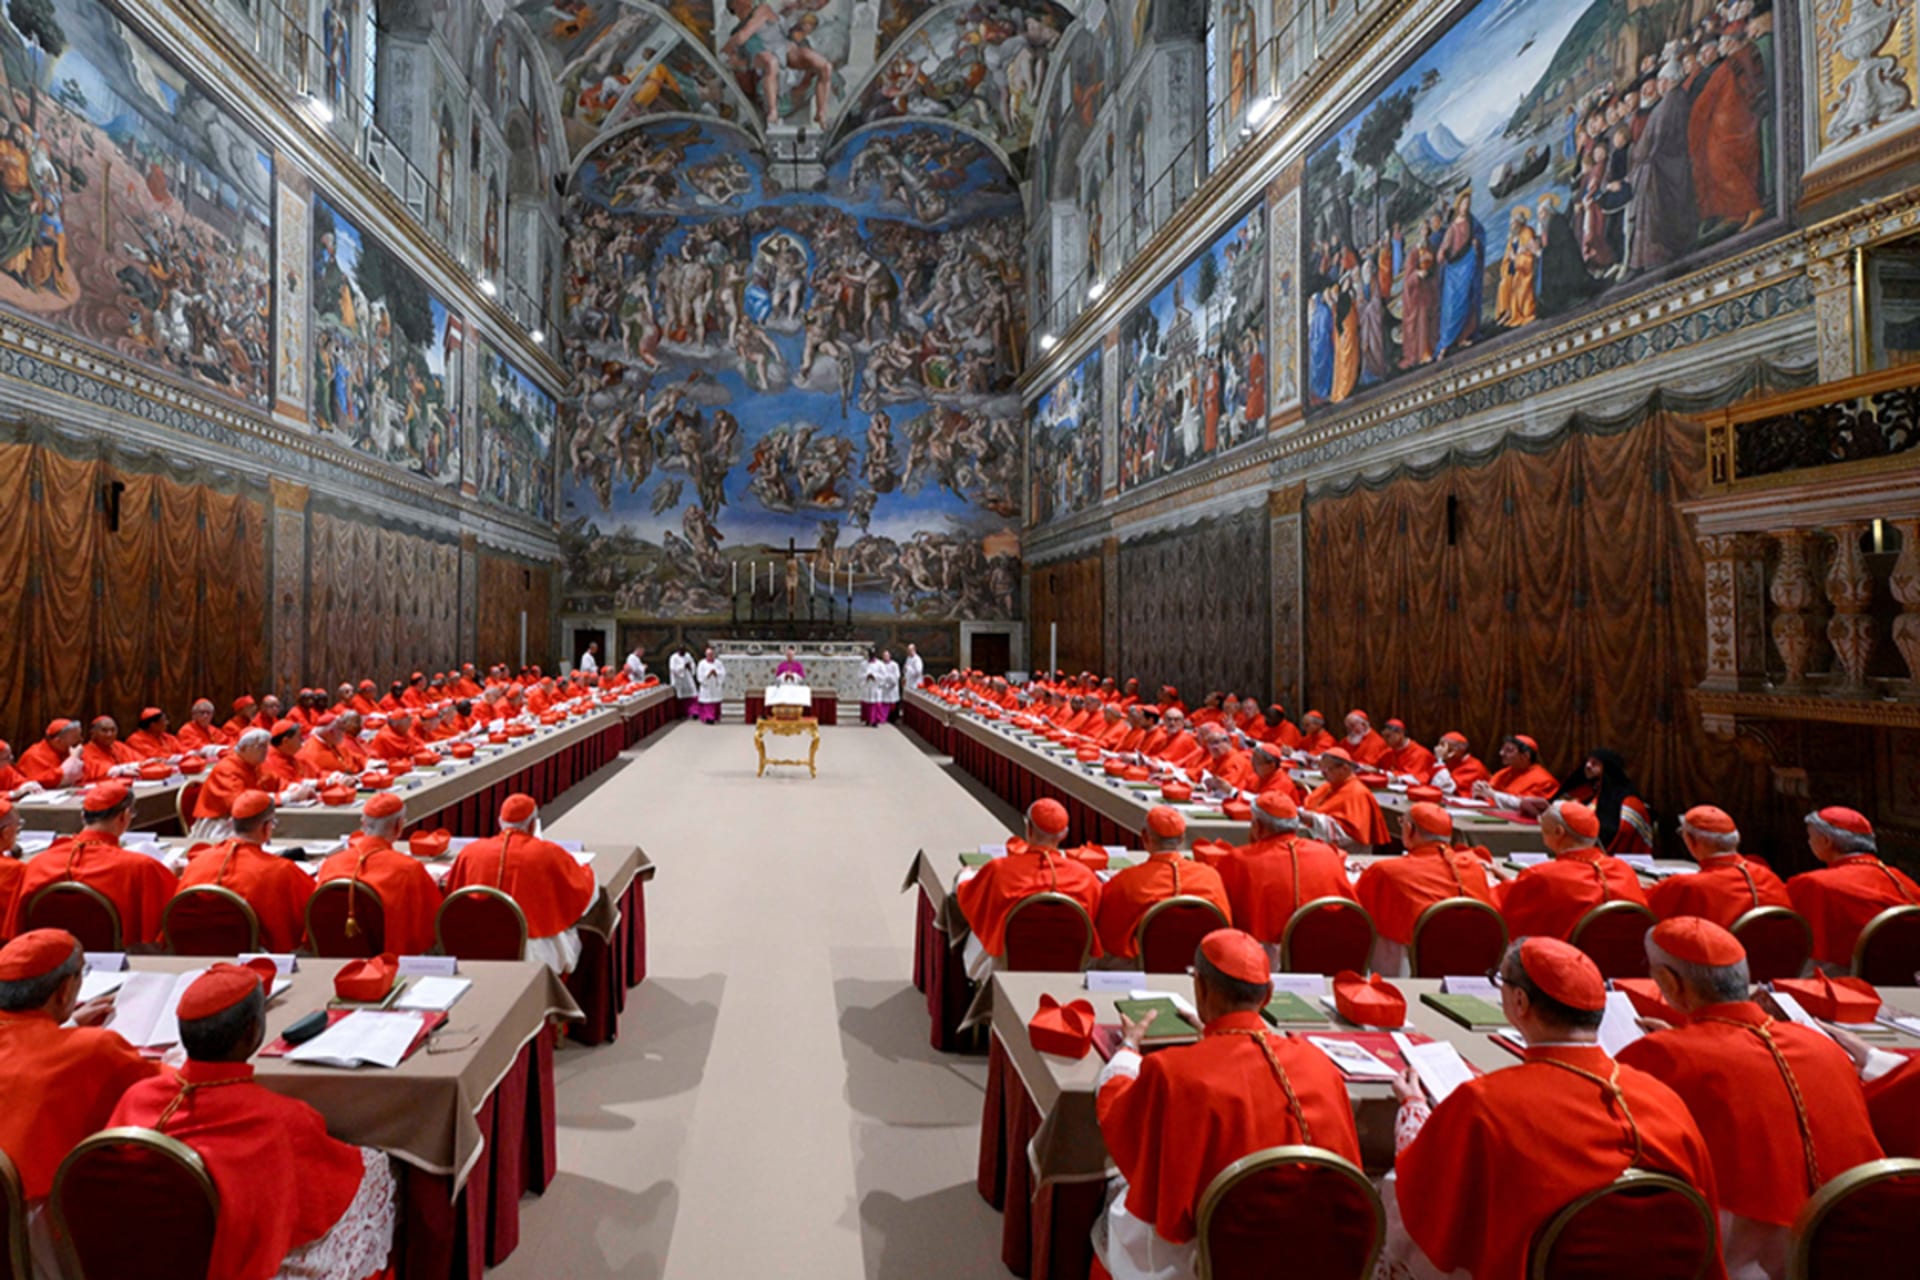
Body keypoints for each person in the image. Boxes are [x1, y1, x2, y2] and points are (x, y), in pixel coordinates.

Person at [1616, 918, 1883, 1279]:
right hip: (1855, 1244)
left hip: (1743, 1261)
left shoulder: (1663, 1056)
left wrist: (1675, 1043)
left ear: (1668, 983)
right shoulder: (1821, 1045)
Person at [1095, 929, 1362, 1280]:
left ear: (1200, 989)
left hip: (1210, 1258)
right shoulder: (1319, 1066)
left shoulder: (1171, 1071)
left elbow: (1119, 1119)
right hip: (1311, 1255)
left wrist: (1127, 1052)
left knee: (1113, 1204)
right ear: (1267, 996)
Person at [108, 963, 397, 1280]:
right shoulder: (281, 1119)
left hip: (146, 1258)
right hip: (233, 1264)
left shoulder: (135, 1097)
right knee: (377, 1168)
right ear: (251, 1034)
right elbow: (326, 1197)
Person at [0, 929, 163, 1255]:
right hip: (36, 1225)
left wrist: (69, 1027)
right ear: (63, 991)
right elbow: (163, 1088)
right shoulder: (93, 1049)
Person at [3, 782, 178, 944]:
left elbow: (15, 929)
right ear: (124, 817)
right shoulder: (141, 867)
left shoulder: (38, 864)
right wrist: (168, 872)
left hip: (50, 958)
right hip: (118, 962)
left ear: (82, 816)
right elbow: (171, 922)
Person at [446, 794, 597, 975]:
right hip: (530, 953)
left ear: (500, 822)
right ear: (533, 825)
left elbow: (451, 897)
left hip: (474, 947)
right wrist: (586, 871)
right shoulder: (548, 853)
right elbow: (582, 891)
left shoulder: (471, 852)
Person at [952, 799, 1101, 971]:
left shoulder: (999, 870)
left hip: (1006, 965)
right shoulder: (1085, 877)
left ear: (1028, 829)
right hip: (1071, 968)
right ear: (1064, 835)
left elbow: (968, 898)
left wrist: (964, 877)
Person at [1355, 802, 1497, 975]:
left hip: (1414, 967)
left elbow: (1355, 909)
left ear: (1409, 830)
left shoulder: (1386, 871)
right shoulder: (1474, 868)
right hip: (1473, 966)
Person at [174, 791, 316, 953]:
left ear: (231, 824)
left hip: (194, 954)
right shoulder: (281, 870)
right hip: (254, 958)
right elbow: (312, 913)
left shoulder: (197, 863)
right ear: (267, 827)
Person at [1209, 791, 1354, 947]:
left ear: (1257, 826)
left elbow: (1221, 914)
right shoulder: (1328, 854)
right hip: (1324, 948)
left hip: (1260, 954)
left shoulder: (1238, 860)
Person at [1492, 799, 1648, 940]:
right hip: (1623, 964)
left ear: (1559, 832)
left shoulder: (1542, 875)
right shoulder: (1623, 869)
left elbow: (1503, 913)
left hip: (1564, 963)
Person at [1787, 806, 1920, 969]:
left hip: (1842, 981)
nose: (1808, 842)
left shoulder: (1814, 883)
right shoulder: (1901, 879)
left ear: (1826, 841)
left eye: (1810, 836)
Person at [1094, 806, 1231, 960]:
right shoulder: (1210, 877)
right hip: (1202, 963)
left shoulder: (1127, 880)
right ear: (1181, 839)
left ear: (1145, 837)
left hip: (1142, 965)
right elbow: (1225, 928)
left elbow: (1108, 935)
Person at [314, 794, 440, 956]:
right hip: (389, 956)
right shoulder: (409, 869)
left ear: (363, 823)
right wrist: (429, 881)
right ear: (399, 825)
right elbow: (433, 925)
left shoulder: (331, 863)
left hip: (336, 953)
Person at [1648, 806, 1791, 927]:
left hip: (1715, 958)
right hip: (1774, 958)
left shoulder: (1686, 886)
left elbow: (1644, 912)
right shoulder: (1768, 876)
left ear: (1692, 841)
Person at [1537, 747, 1654, 851]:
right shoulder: (1584, 789)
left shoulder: (1629, 802)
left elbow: (1617, 834)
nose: (1587, 765)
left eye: (1595, 763)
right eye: (1587, 761)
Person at [1299, 748, 1390, 853]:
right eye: (1321, 768)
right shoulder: (1329, 786)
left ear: (1345, 769)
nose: (1323, 773)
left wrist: (1313, 819)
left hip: (1347, 853)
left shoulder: (1358, 793)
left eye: (1328, 769)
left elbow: (1348, 836)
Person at [1474, 734, 1558, 807]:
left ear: (1525, 755)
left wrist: (1493, 794)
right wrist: (1480, 791)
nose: (1501, 753)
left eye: (1509, 750)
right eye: (1502, 749)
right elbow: (1489, 797)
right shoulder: (1503, 773)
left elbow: (1527, 806)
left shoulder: (1544, 781)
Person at [17, 719, 85, 791]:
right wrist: (73, 759)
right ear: (58, 741)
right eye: (76, 738)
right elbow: (50, 781)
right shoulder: (34, 755)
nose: (81, 740)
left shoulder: (67, 750)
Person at [1428, 731, 1488, 796]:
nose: (1437, 749)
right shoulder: (1450, 762)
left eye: (1443, 746)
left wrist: (1440, 760)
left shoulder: (1474, 768)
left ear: (1454, 751)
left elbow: (1447, 789)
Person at [1377, 719, 1435, 784]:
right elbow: (1377, 768)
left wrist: (1396, 779)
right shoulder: (1387, 752)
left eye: (1388, 736)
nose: (1384, 740)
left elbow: (1415, 779)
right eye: (1383, 737)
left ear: (1400, 733)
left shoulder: (1420, 754)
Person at [694, 646, 726, 725]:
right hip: (707, 686)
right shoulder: (702, 663)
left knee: (715, 702)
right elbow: (699, 675)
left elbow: (723, 673)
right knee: (708, 703)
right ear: (706, 655)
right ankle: (708, 718)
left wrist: (716, 673)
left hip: (715, 685)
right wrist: (708, 675)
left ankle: (715, 716)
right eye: (709, 654)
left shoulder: (718, 663)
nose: (710, 656)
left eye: (712, 654)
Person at [669, 646, 697, 716]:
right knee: (680, 695)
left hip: (687, 676)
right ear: (678, 651)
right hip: (678, 679)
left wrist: (690, 667)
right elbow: (672, 668)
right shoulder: (673, 657)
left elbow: (692, 664)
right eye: (682, 651)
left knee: (693, 693)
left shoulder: (688, 655)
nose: (683, 653)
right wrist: (683, 666)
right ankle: (681, 712)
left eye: (684, 651)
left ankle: (693, 712)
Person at [877, 648, 902, 723]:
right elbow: (879, 675)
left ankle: (893, 718)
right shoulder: (880, 664)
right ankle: (883, 717)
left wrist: (892, 680)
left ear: (890, 656)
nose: (885, 657)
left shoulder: (894, 665)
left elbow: (897, 675)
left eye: (887, 656)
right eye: (884, 656)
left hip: (892, 687)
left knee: (893, 703)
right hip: (884, 687)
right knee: (884, 703)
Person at [861, 649, 884, 726]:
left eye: (872, 654)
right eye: (870, 654)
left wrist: (874, 676)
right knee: (867, 703)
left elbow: (883, 675)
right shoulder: (863, 664)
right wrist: (866, 676)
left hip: (875, 686)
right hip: (867, 686)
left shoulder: (880, 664)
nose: (871, 656)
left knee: (875, 703)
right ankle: (867, 719)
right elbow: (859, 675)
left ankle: (875, 721)